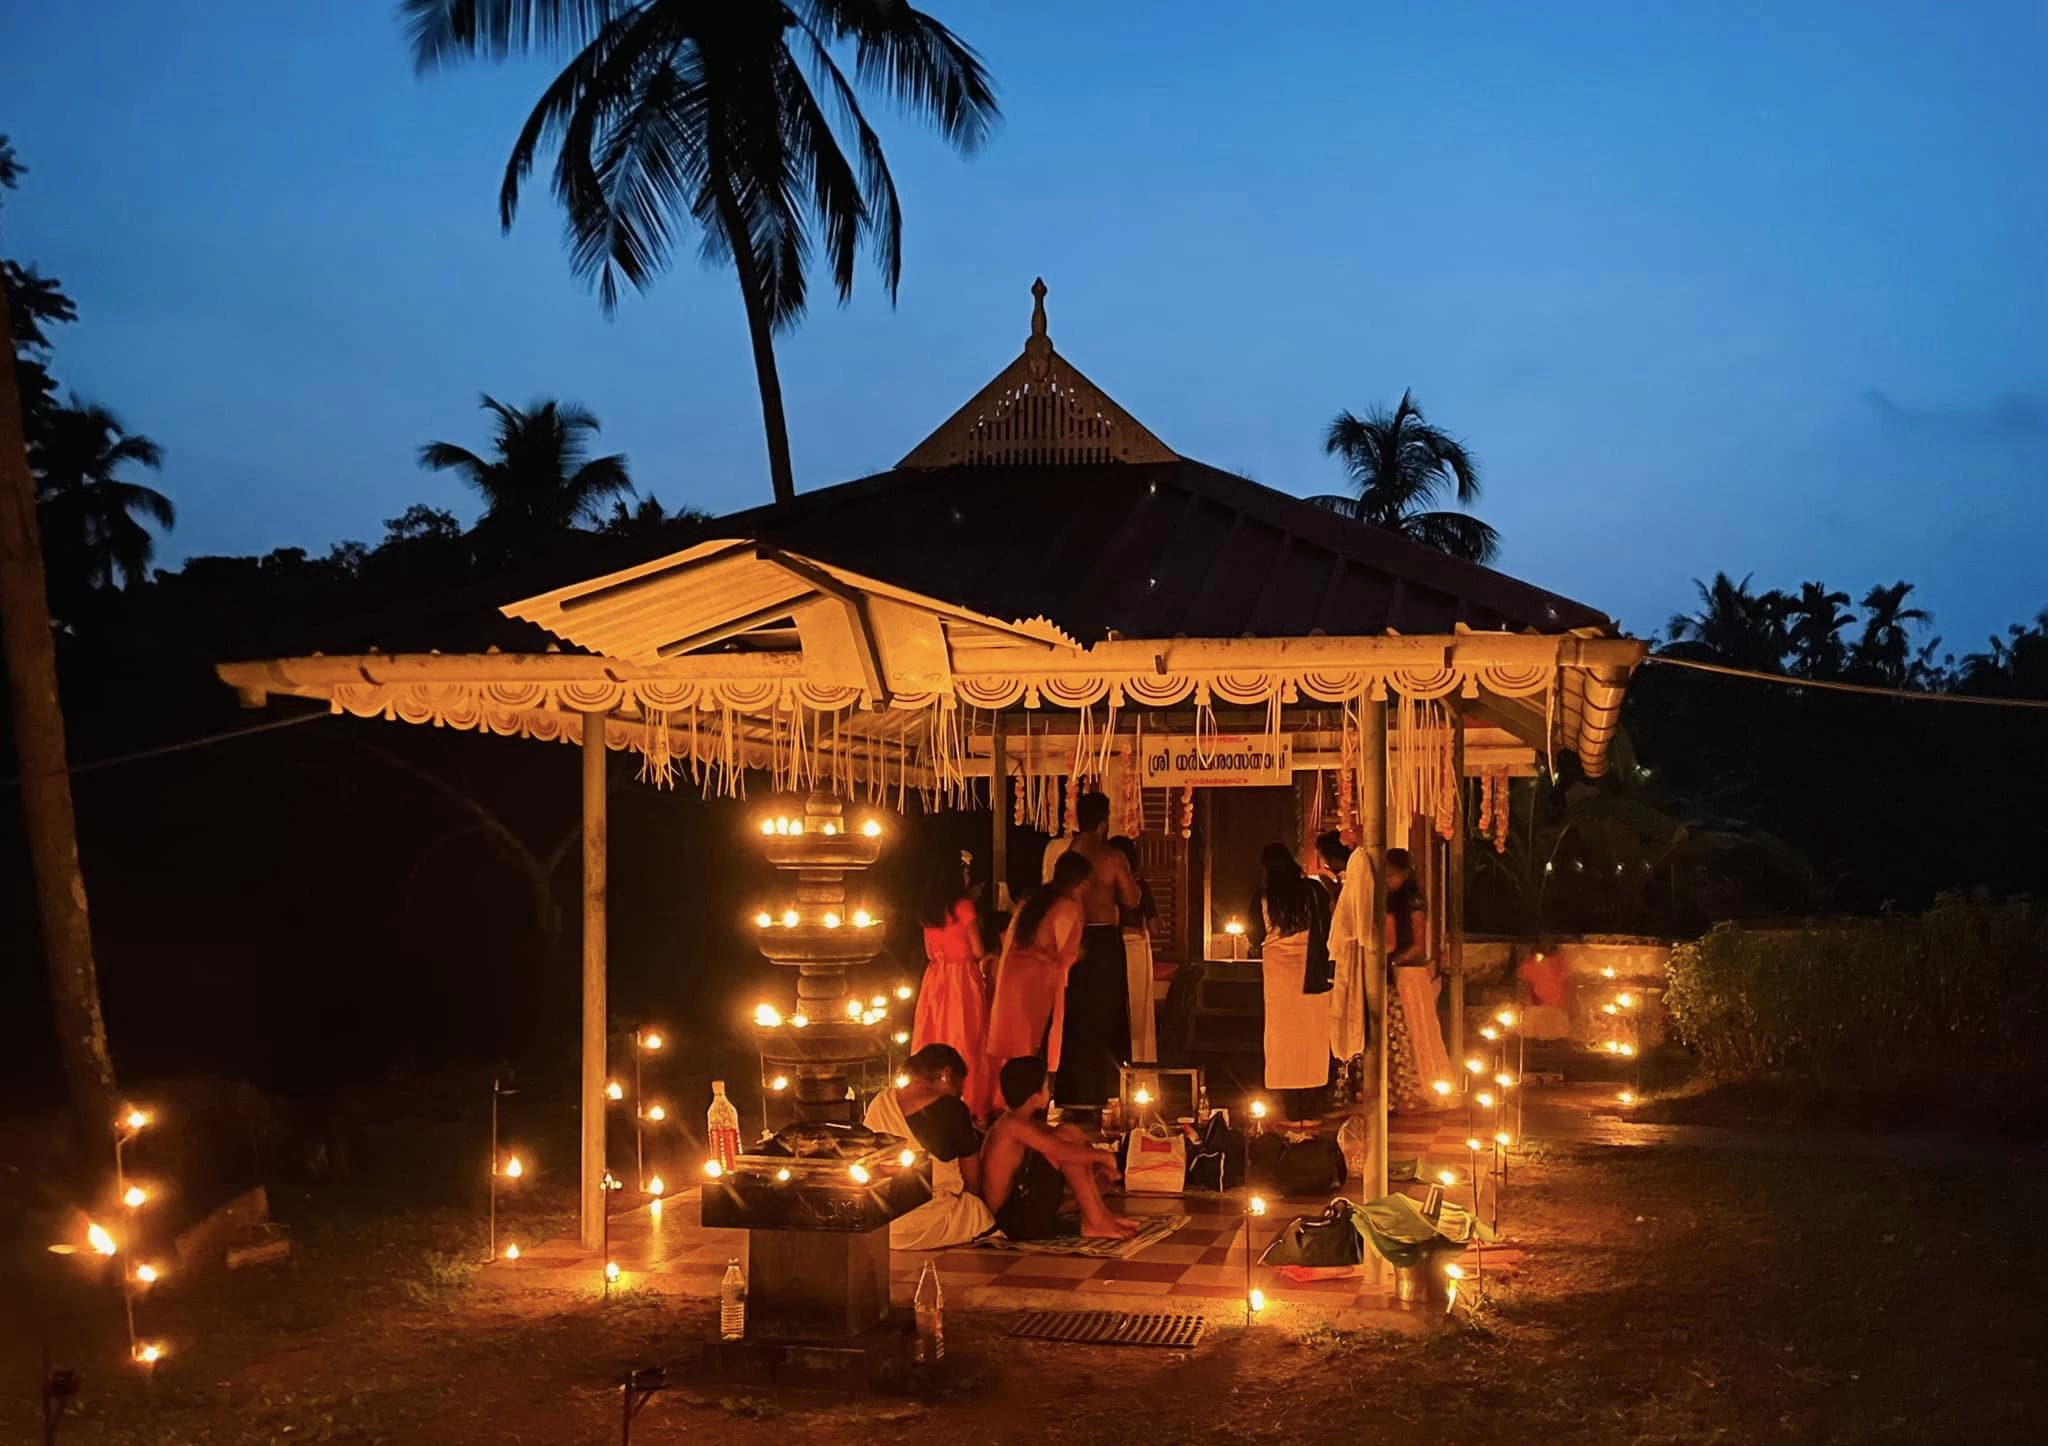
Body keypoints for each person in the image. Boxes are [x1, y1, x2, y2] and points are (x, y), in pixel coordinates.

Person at [980, 1056, 1135, 1241]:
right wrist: (1103, 1156)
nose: (1051, 1090)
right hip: (1012, 1222)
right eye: (1047, 1085)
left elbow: (1073, 1139)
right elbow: (1062, 1151)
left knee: (1069, 1133)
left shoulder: (1020, 1121)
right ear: (1035, 1098)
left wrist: (1095, 1163)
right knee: (1066, 1145)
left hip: (1019, 1210)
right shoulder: (1011, 1126)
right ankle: (1094, 1221)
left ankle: (1101, 1216)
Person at [863, 1044, 995, 1250]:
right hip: (927, 1222)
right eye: (961, 1084)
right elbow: (972, 1177)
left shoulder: (880, 1100)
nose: (961, 1093)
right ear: (947, 1074)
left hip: (881, 1223)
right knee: (980, 1213)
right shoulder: (953, 1109)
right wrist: (974, 1202)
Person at [1056, 792, 1140, 1107]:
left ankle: (1074, 1093)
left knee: (1077, 1017)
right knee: (1107, 1014)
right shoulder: (1111, 857)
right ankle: (1110, 1091)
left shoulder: (1066, 855)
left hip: (1072, 939)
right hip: (1103, 940)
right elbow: (1132, 899)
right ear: (1105, 821)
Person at [1250, 843, 1335, 1122]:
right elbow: (1329, 925)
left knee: (1282, 1038)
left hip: (1278, 975)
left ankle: (1291, 1107)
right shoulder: (1313, 890)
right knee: (1313, 1036)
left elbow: (1255, 936)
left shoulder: (1263, 898)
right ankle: (1311, 1104)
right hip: (1311, 970)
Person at [986, 852, 1092, 1074]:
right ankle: (1034, 1099)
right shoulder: (1068, 907)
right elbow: (1067, 955)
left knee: (1018, 1046)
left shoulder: (1031, 902)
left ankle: (1016, 1097)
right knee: (1036, 1045)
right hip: (1039, 982)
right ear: (1081, 883)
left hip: (1014, 978)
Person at [915, 875, 999, 1120]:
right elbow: (978, 950)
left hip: (935, 978)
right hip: (961, 977)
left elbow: (930, 952)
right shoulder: (963, 906)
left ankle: (932, 1099)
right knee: (967, 1038)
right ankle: (971, 1104)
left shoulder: (928, 910)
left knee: (935, 1033)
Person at [1384, 848, 1453, 1111]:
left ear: (1404, 873)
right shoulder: (1393, 898)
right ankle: (1406, 1088)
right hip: (1400, 970)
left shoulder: (1412, 900)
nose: (1388, 880)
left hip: (1410, 972)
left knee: (1417, 1029)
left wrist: (1394, 961)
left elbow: (1418, 944)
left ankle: (1422, 1086)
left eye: (1391, 875)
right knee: (1404, 1033)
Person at [1110, 835, 1159, 1063]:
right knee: (1139, 1009)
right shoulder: (1139, 887)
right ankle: (1140, 1063)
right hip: (1136, 948)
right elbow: (1155, 926)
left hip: (1112, 947)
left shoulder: (1104, 887)